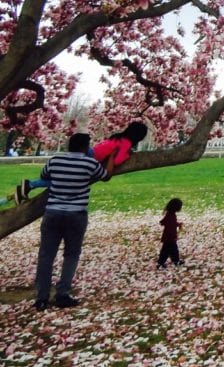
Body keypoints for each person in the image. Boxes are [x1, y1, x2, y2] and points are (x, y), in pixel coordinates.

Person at [33, 132, 110, 310]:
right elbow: (105, 176)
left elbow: (44, 176)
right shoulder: (90, 163)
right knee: (71, 254)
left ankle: (42, 297)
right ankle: (63, 293)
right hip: (76, 214)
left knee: (46, 256)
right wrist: (112, 157)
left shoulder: (55, 161)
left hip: (52, 212)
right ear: (85, 147)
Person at [16, 121, 147, 204]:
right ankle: (30, 184)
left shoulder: (119, 137)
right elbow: (117, 160)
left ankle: (30, 185)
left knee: (62, 177)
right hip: (90, 157)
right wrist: (124, 156)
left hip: (91, 152)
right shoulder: (126, 143)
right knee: (65, 180)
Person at [157, 197, 184, 268]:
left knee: (172, 250)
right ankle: (161, 263)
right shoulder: (171, 215)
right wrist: (174, 236)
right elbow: (170, 226)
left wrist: (178, 224)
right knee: (166, 251)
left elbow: (164, 222)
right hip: (170, 237)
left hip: (167, 236)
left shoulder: (170, 214)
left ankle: (175, 261)